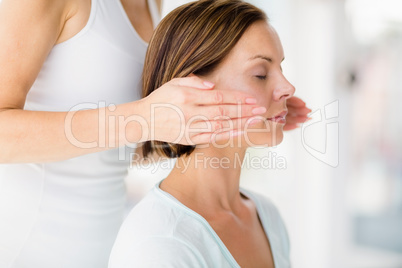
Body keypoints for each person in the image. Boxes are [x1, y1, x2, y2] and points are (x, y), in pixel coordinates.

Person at [0, 0, 309, 267]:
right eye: (259, 74)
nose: (287, 86)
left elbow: (122, 145)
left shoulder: (152, 5)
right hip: (31, 246)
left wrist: (262, 109)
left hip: (103, 239)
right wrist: (146, 117)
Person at [109, 1, 296, 267]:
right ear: (193, 89)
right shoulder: (160, 244)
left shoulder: (268, 217)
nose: (288, 87)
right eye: (261, 74)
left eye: (281, 69)